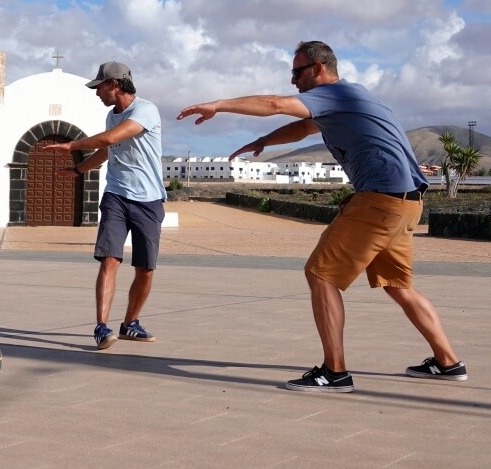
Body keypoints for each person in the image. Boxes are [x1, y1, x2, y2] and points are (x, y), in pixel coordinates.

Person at [177, 40, 467, 392]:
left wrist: (219, 105)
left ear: (318, 68)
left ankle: (335, 372)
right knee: (399, 286)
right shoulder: (352, 97)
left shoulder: (335, 94)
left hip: (379, 200)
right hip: (407, 203)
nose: (293, 80)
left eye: (297, 72)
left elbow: (275, 104)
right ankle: (448, 362)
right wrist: (265, 141)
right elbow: (304, 127)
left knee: (320, 274)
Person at [43, 61, 167, 350]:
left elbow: (112, 138)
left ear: (114, 84)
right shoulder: (112, 116)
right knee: (110, 259)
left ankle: (130, 324)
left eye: (98, 87)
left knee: (145, 268)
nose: (96, 93)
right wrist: (78, 170)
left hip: (148, 199)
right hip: (116, 195)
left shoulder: (145, 110)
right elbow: (108, 150)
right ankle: (101, 327)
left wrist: (71, 147)